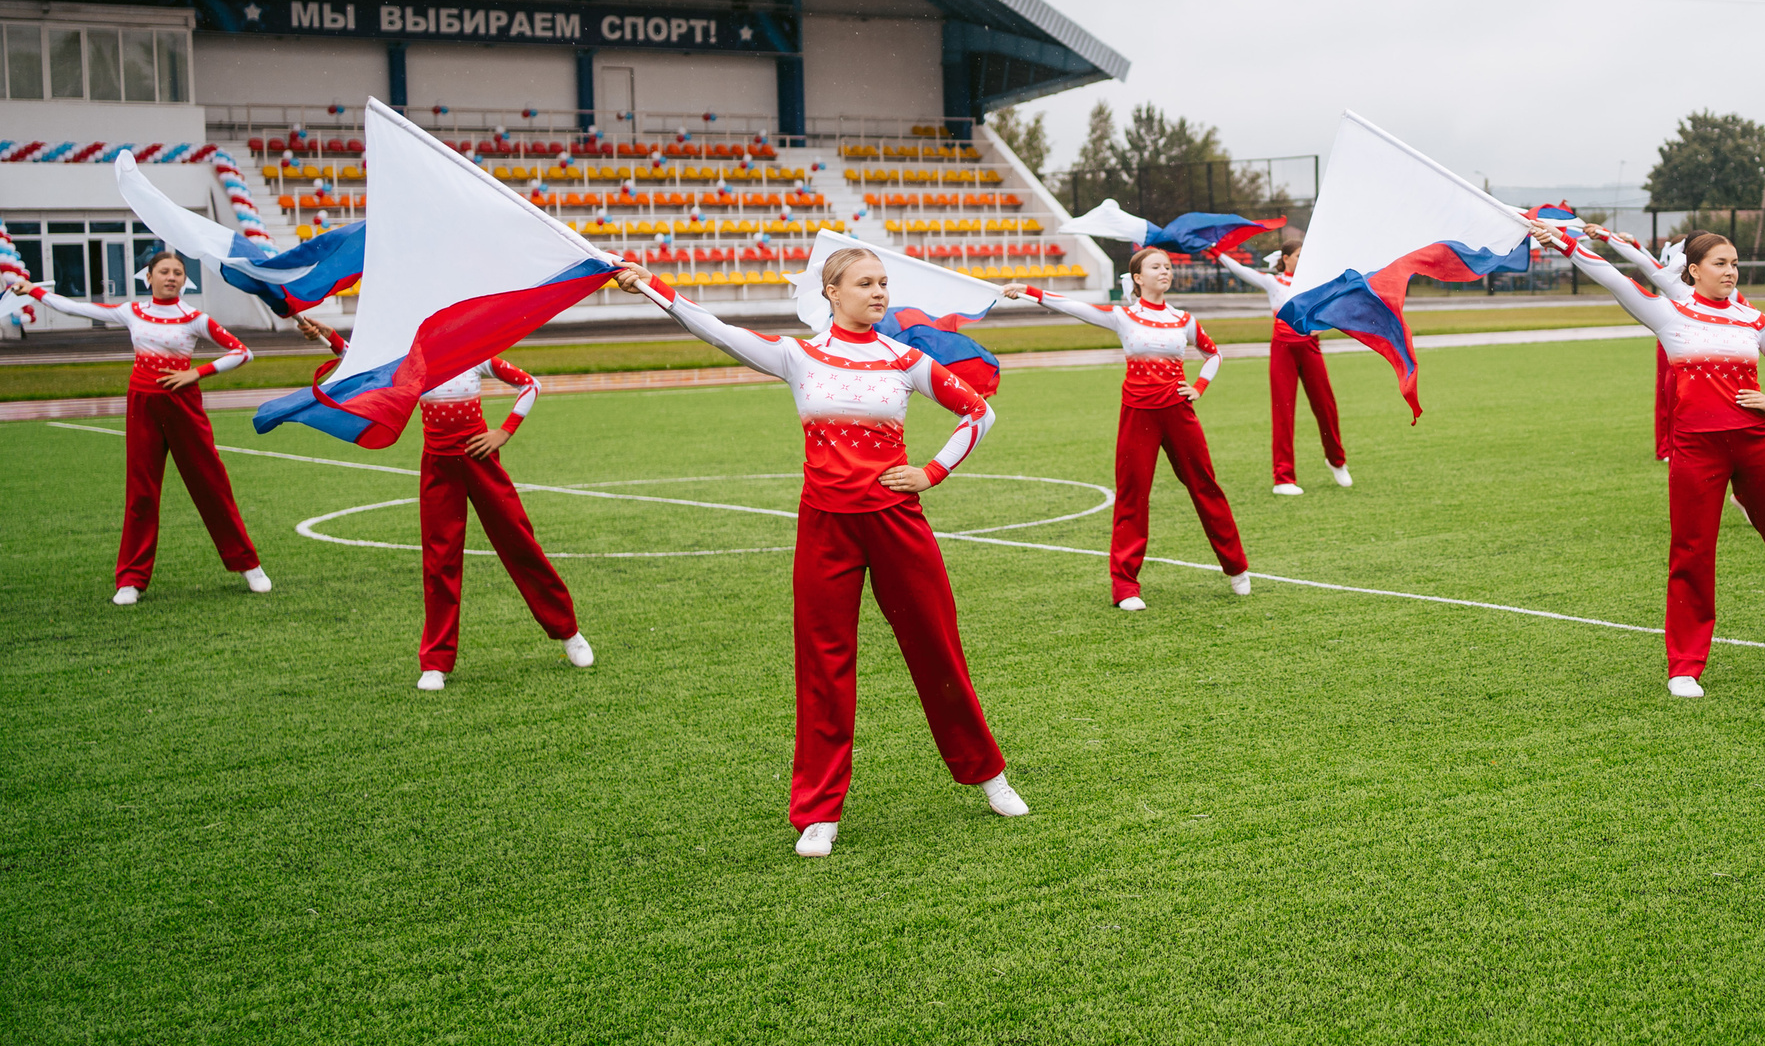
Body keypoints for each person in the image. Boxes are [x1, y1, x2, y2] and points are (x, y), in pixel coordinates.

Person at [613, 245, 1027, 847]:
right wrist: (655, 288)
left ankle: (989, 775)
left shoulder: (904, 359)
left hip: (897, 524)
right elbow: (717, 330)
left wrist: (931, 472)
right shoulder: (798, 356)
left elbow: (978, 413)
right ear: (831, 292)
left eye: (883, 283)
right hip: (825, 527)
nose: (879, 292)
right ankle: (819, 812)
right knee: (823, 667)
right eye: (865, 283)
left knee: (936, 649)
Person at [1534, 222, 1765, 694]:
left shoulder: (1753, 320)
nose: (1731, 271)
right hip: (1695, 450)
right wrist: (1562, 242)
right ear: (1694, 270)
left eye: (1735, 263)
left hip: (1755, 445)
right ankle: (1684, 666)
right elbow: (1613, 276)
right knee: (1691, 554)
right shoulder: (1668, 313)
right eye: (1721, 263)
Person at [294, 318, 590, 690]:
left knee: (519, 543)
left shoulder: (476, 355)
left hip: (480, 462)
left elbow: (530, 384)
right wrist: (326, 336)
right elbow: (360, 365)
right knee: (440, 559)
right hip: (437, 467)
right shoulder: (412, 363)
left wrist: (504, 432)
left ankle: (568, 632)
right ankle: (435, 662)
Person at [8, 252, 271, 602]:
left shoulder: (194, 318)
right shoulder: (131, 311)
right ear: (148, 277)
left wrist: (196, 372)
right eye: (164, 271)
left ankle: (248, 565)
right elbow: (78, 309)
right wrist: (34, 292)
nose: (171, 277)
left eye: (178, 272)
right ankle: (131, 579)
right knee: (141, 493)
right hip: (142, 406)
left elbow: (242, 352)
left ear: (184, 280)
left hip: (184, 406)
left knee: (211, 484)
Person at [1001, 247, 1251, 610]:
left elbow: (1214, 353)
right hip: (1138, 415)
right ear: (1137, 277)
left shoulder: (1183, 319)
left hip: (1179, 413)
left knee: (1205, 486)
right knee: (1132, 496)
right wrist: (1030, 290)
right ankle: (1125, 587)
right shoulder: (1123, 316)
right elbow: (1073, 306)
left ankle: (1236, 567)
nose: (1164, 271)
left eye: (1167, 266)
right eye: (1155, 267)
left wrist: (1199, 387)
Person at [1212, 233, 1352, 496]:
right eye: (1299, 255)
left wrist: (1319, 328)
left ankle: (1336, 461)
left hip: (1310, 349)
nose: (1304, 260)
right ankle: (1283, 478)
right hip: (1282, 350)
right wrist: (1216, 252)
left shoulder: (1315, 284)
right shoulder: (1273, 282)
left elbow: (1336, 310)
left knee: (1326, 406)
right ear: (1286, 259)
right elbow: (1240, 270)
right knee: (1283, 412)